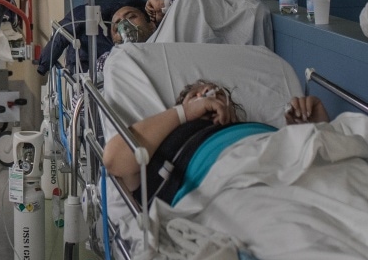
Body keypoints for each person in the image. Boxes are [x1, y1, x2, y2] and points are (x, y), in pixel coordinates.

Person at [102, 80, 329, 202]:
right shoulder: (163, 145)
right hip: (237, 191)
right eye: (196, 96)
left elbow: (309, 160)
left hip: (286, 162)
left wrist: (312, 131)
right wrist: (184, 114)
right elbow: (114, 159)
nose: (208, 93)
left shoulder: (253, 128)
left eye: (218, 94)